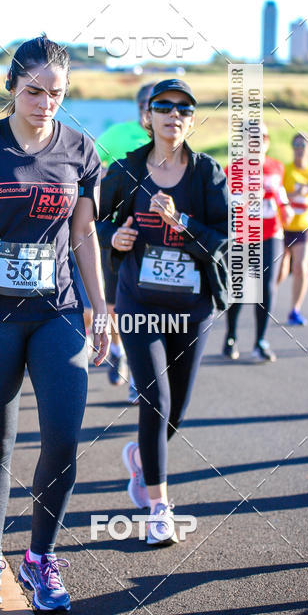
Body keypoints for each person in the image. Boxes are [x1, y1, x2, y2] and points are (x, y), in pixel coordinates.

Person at [0, 35, 109, 611]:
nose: (44, 103)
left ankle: (40, 559)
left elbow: (84, 236)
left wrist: (100, 307)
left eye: (56, 93)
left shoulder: (81, 150)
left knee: (63, 437)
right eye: (34, 90)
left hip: (57, 310)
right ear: (12, 87)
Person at [99, 79, 228, 546]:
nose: (173, 114)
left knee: (177, 409)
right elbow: (99, 221)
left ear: (191, 120)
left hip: (193, 306)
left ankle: (139, 455)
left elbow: (226, 241)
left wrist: (184, 223)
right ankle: (159, 507)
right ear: (147, 117)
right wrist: (113, 239)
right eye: (163, 106)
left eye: (184, 108)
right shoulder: (126, 171)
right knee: (155, 400)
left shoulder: (208, 174)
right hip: (140, 302)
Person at [95, 82, 156, 401]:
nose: (154, 108)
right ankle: (117, 348)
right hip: (116, 232)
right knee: (114, 306)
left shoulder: (171, 137)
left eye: (159, 102)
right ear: (138, 106)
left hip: (154, 236)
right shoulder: (118, 135)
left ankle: (138, 371)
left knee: (144, 305)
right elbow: (93, 167)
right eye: (148, 102)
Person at [223, 124, 293, 362]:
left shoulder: (277, 167)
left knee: (266, 287)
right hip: (242, 235)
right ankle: (231, 334)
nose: (256, 142)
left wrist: (287, 209)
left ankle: (260, 341)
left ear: (267, 141)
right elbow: (226, 203)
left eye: (261, 137)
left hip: (272, 232)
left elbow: (280, 194)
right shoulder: (231, 169)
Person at [277, 132, 308, 325]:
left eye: (303, 145)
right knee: (279, 270)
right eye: (296, 145)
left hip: (304, 227)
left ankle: (294, 310)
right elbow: (277, 193)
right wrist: (293, 192)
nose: (299, 149)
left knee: (301, 268)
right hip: (283, 225)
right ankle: (265, 300)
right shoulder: (285, 170)